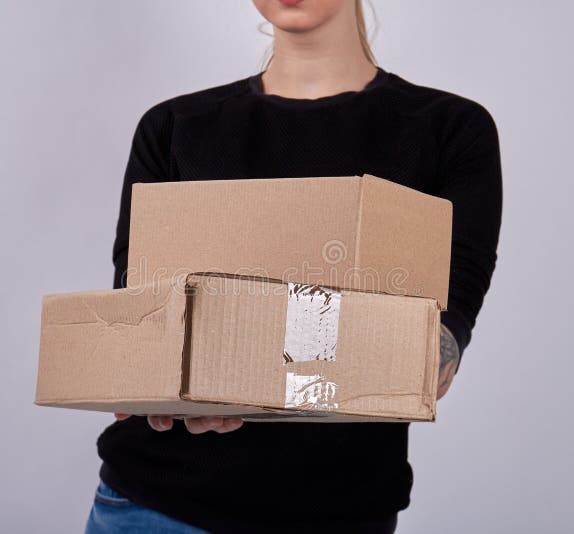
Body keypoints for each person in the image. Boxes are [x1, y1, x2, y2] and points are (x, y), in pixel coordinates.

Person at [85, 0, 502, 532]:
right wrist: (160, 382)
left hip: (339, 511)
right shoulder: (172, 127)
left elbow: (433, 349)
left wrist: (239, 374)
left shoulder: (449, 131)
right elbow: (141, 316)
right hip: (153, 506)